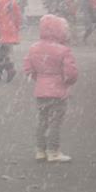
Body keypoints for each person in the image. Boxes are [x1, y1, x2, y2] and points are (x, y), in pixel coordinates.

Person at [24, 14, 78, 162]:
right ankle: (53, 151)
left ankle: (40, 150)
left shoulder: (34, 48)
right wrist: (67, 82)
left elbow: (28, 68)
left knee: (42, 121)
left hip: (41, 91)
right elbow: (71, 72)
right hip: (58, 92)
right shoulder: (63, 50)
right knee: (55, 122)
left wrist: (40, 79)